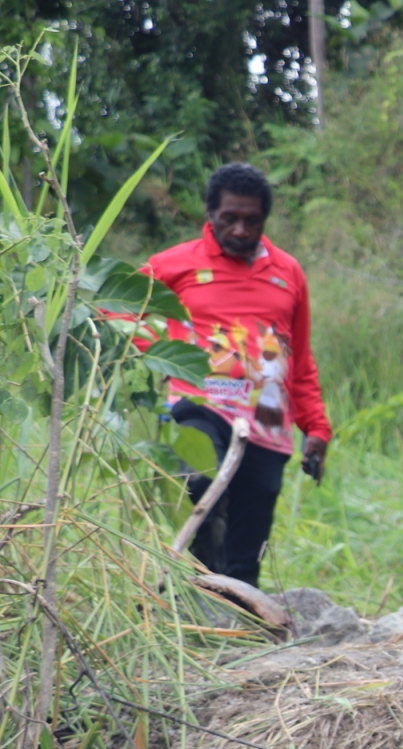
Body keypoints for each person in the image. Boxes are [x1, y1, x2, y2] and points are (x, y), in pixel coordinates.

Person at [138, 163, 330, 586]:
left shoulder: (288, 272)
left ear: (265, 218)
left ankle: (240, 621)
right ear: (210, 214)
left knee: (250, 536)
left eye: (252, 220)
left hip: (267, 416)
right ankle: (199, 585)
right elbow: (117, 309)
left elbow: (299, 357)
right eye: (230, 218)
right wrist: (159, 353)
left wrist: (315, 424)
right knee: (199, 480)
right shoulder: (175, 265)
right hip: (202, 402)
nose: (241, 230)